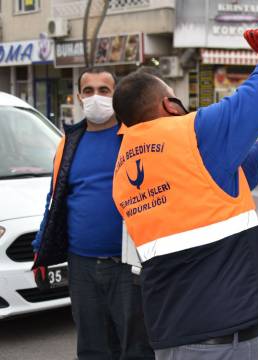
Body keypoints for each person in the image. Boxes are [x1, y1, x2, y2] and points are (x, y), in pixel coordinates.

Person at [110, 19, 258, 359]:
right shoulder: (193, 133)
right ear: (169, 105)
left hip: (175, 335)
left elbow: (208, 189)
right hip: (222, 342)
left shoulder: (125, 168)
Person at [31, 68, 155, 359]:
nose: (96, 97)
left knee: (137, 349)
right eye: (89, 91)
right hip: (81, 266)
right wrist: (40, 249)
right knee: (92, 349)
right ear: (78, 96)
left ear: (116, 96)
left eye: (104, 90)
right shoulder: (69, 142)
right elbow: (55, 198)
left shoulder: (135, 138)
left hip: (129, 267)